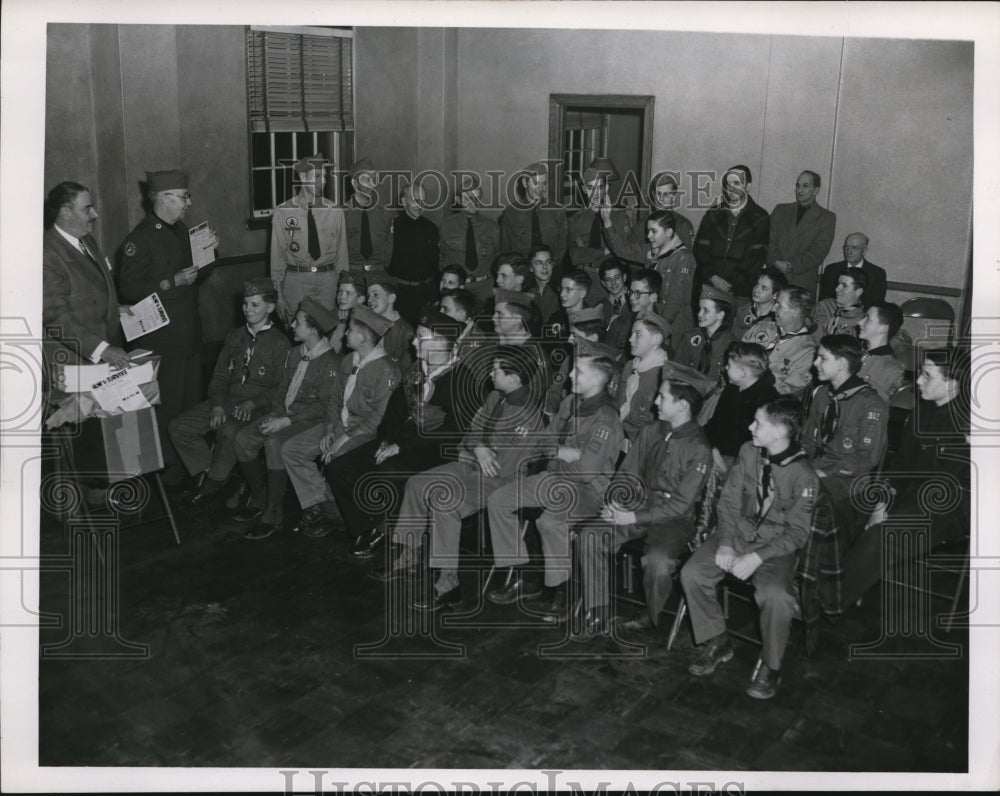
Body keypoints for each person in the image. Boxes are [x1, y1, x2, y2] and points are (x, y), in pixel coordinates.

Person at [377, 346, 546, 610]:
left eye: (497, 370)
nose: (490, 373)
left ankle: (448, 586)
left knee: (446, 501)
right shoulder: (495, 397)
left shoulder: (529, 416)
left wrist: (474, 451)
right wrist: (477, 448)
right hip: (473, 465)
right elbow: (471, 432)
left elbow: (504, 467)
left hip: (502, 481)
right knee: (417, 484)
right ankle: (409, 557)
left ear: (514, 378)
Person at [680, 397, 820, 700]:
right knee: (692, 572)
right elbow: (728, 501)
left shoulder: (804, 475)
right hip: (738, 534)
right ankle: (718, 640)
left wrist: (758, 557)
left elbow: (797, 533)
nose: (750, 427)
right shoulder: (749, 451)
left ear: (781, 430)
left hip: (773, 547)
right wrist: (728, 545)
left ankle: (772, 664)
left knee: (777, 597)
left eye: (758, 423)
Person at [485, 352, 624, 617]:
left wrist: (556, 455)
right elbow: (543, 439)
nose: (570, 375)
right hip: (555, 479)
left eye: (578, 372)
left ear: (597, 380)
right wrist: (560, 453)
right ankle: (529, 576)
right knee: (499, 501)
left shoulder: (606, 418)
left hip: (589, 491)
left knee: (549, 522)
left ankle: (562, 590)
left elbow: (585, 473)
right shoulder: (571, 401)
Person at [577, 377, 713, 637]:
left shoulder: (699, 449)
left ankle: (650, 614)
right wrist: (616, 500)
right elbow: (629, 471)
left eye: (663, 397)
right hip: (638, 503)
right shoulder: (652, 430)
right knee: (592, 535)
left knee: (658, 561)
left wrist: (632, 516)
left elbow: (681, 505)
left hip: (673, 519)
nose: (655, 402)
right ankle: (598, 609)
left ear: (683, 405)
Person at [840, 348, 969, 607]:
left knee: (882, 536)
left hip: (948, 509)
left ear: (953, 382)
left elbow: (946, 488)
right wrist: (883, 501)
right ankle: (847, 582)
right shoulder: (923, 411)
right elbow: (902, 463)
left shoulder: (969, 424)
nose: (918, 381)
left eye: (927, 376)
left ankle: (830, 600)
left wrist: (893, 512)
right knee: (842, 510)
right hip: (911, 494)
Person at [338, 310, 470, 564]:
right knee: (342, 466)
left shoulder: (461, 379)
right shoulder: (414, 372)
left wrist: (402, 446)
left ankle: (402, 539)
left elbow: (452, 434)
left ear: (442, 343)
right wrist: (387, 439)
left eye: (421, 338)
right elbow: (393, 413)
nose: (413, 343)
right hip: (401, 441)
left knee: (390, 471)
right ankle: (373, 526)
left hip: (435, 450)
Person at [118, 169, 218, 484]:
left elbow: (196, 275)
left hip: (188, 334)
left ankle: (189, 472)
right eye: (183, 196)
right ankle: (167, 477)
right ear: (164, 198)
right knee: (167, 408)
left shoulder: (181, 231)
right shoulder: (139, 238)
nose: (188, 202)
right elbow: (129, 288)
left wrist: (210, 252)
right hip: (162, 340)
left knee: (188, 405)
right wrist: (170, 282)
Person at [279, 304, 400, 540]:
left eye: (350, 330)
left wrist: (343, 438)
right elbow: (334, 401)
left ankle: (333, 512)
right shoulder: (347, 362)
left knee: (336, 456)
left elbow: (379, 419)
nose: (344, 334)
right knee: (291, 449)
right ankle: (326, 507)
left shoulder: (387, 371)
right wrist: (329, 430)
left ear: (363, 337)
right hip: (339, 426)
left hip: (366, 433)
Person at [169, 278, 291, 508]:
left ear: (270, 307)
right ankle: (218, 473)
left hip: (258, 406)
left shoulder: (280, 343)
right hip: (227, 400)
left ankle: (212, 485)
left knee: (229, 430)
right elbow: (219, 377)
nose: (248, 310)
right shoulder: (235, 337)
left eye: (255, 305)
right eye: (245, 304)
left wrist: (254, 404)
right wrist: (216, 404)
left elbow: (281, 388)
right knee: (179, 427)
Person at [232, 297, 340, 539]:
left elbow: (323, 407)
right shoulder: (294, 354)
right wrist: (277, 414)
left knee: (274, 443)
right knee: (243, 438)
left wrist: (286, 421)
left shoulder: (331, 363)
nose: (291, 325)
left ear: (312, 330)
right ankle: (260, 497)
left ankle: (273, 514)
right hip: (285, 415)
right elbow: (282, 392)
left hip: (310, 421)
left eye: (298, 322)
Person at [800, 335, 888, 536]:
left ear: (840, 364)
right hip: (815, 467)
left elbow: (867, 459)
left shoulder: (870, 403)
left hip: (849, 480)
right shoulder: (822, 393)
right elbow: (806, 440)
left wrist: (825, 472)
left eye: (822, 358)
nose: (815, 363)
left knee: (805, 494)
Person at [42, 181, 129, 371]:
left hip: (105, 353)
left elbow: (91, 290)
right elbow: (56, 316)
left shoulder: (86, 240)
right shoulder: (47, 253)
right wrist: (102, 350)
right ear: (65, 212)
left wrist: (114, 307)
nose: (95, 214)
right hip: (77, 361)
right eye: (87, 209)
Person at [269, 153, 349, 322]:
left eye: (325, 177)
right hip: (296, 283)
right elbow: (277, 260)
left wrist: (345, 293)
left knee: (328, 332)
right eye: (318, 176)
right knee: (297, 333)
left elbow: (342, 259)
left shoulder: (335, 212)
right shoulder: (283, 212)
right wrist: (279, 296)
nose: (324, 181)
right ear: (302, 177)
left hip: (328, 283)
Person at [617, 311, 712, 448]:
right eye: (632, 334)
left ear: (656, 339)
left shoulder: (664, 375)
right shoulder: (629, 367)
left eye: (638, 334)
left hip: (641, 442)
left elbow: (658, 424)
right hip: (619, 434)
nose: (630, 339)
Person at [603, 208, 696, 337]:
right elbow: (621, 250)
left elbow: (674, 302)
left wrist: (657, 327)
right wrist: (607, 222)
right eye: (648, 231)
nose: (648, 236)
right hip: (652, 318)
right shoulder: (653, 251)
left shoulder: (683, 258)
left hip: (672, 326)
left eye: (654, 231)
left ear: (669, 232)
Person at [693, 165, 770, 300]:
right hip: (709, 287)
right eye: (728, 184)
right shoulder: (713, 213)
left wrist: (731, 282)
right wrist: (713, 277)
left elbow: (757, 257)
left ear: (748, 186)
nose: (731, 188)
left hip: (742, 291)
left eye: (737, 183)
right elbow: (700, 248)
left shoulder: (761, 217)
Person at [702, 342, 780, 466]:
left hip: (742, 459)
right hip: (717, 450)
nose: (725, 368)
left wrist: (717, 454)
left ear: (743, 372)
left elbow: (753, 444)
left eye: (729, 365)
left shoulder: (767, 400)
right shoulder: (732, 388)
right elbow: (715, 423)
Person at [766, 170, 837, 299]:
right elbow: (768, 239)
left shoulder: (826, 218)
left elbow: (819, 251)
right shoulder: (780, 210)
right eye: (798, 186)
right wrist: (776, 261)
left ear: (816, 190)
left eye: (805, 186)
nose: (799, 190)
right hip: (773, 280)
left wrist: (791, 265)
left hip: (801, 283)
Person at [388, 181, 440, 326]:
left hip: (427, 293)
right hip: (401, 293)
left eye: (423, 201)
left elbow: (435, 264)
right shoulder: (393, 227)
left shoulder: (431, 228)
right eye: (415, 201)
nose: (420, 205)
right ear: (404, 202)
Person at [439, 181, 498, 306]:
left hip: (485, 287)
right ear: (458, 199)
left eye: (476, 197)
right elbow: (442, 258)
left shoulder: (492, 227)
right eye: (468, 198)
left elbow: (498, 257)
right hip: (457, 287)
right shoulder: (446, 226)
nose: (473, 202)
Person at [499, 160, 568, 263]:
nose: (540, 189)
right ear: (525, 183)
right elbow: (506, 249)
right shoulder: (511, 213)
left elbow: (562, 246)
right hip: (522, 271)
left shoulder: (557, 211)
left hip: (550, 271)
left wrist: (552, 266)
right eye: (536, 183)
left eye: (544, 184)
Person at [672, 284, 737, 385]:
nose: (699, 314)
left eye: (706, 310)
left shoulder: (732, 344)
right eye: (700, 309)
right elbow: (676, 371)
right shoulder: (690, 337)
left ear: (720, 315)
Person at [344, 157, 393, 273]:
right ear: (355, 183)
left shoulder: (384, 213)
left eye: (373, 179)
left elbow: (390, 246)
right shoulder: (342, 213)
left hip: (378, 273)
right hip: (351, 273)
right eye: (366, 179)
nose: (372, 184)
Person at [767, 287, 818, 397]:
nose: (772, 309)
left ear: (796, 311)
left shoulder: (808, 352)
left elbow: (787, 392)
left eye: (779, 305)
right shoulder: (764, 328)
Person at [857, 302, 906, 403]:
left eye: (868, 319)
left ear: (883, 328)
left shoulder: (893, 369)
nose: (860, 322)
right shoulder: (853, 351)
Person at [819, 232, 887, 305]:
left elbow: (876, 304)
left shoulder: (877, 273)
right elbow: (825, 301)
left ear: (864, 251)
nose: (849, 251)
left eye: (854, 248)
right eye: (846, 247)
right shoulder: (831, 270)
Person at [365, 272, 414, 369]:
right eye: (368, 295)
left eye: (375, 295)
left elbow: (406, 368)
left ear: (391, 298)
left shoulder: (406, 332)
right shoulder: (366, 325)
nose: (369, 300)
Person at [638, 171, 695, 249]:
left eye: (666, 194)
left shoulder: (683, 225)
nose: (661, 199)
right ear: (653, 196)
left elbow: (686, 258)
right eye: (658, 194)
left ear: (674, 196)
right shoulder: (642, 224)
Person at [732, 269, 788, 345]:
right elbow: (733, 338)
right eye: (757, 284)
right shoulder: (743, 311)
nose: (756, 290)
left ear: (775, 295)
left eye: (764, 288)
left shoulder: (776, 321)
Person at [811, 270, 867, 341]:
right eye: (838, 284)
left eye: (844, 285)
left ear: (858, 292)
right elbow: (812, 340)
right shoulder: (824, 307)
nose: (837, 289)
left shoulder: (862, 320)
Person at [596, 257, 634, 355]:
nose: (613, 283)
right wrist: (609, 327)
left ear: (624, 277)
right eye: (608, 280)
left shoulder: (636, 300)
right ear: (603, 283)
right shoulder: (600, 307)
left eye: (617, 277)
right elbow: (597, 341)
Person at [328, 271, 366, 354]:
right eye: (340, 291)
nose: (342, 297)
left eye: (348, 293)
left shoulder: (363, 324)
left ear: (360, 299)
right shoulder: (330, 315)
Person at [528, 245, 561, 322]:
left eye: (548, 262)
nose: (545, 267)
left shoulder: (560, 291)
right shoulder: (527, 292)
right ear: (531, 268)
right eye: (539, 263)